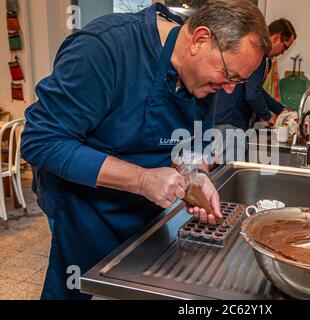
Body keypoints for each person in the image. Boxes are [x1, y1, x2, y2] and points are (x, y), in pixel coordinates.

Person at [20, 0, 271, 300]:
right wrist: (141, 180)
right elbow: (41, 139)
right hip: (84, 211)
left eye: (239, 82)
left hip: (144, 214)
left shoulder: (205, 77)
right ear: (200, 39)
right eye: (229, 76)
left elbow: (195, 143)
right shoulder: (105, 48)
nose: (230, 89)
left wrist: (196, 176)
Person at [212, 18, 297, 159]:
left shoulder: (254, 53)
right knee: (227, 176)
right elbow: (252, 94)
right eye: (285, 47)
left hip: (221, 120)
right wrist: (269, 116)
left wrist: (280, 110)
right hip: (231, 124)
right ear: (275, 38)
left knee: (218, 173)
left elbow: (255, 89)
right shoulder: (259, 56)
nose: (283, 53)